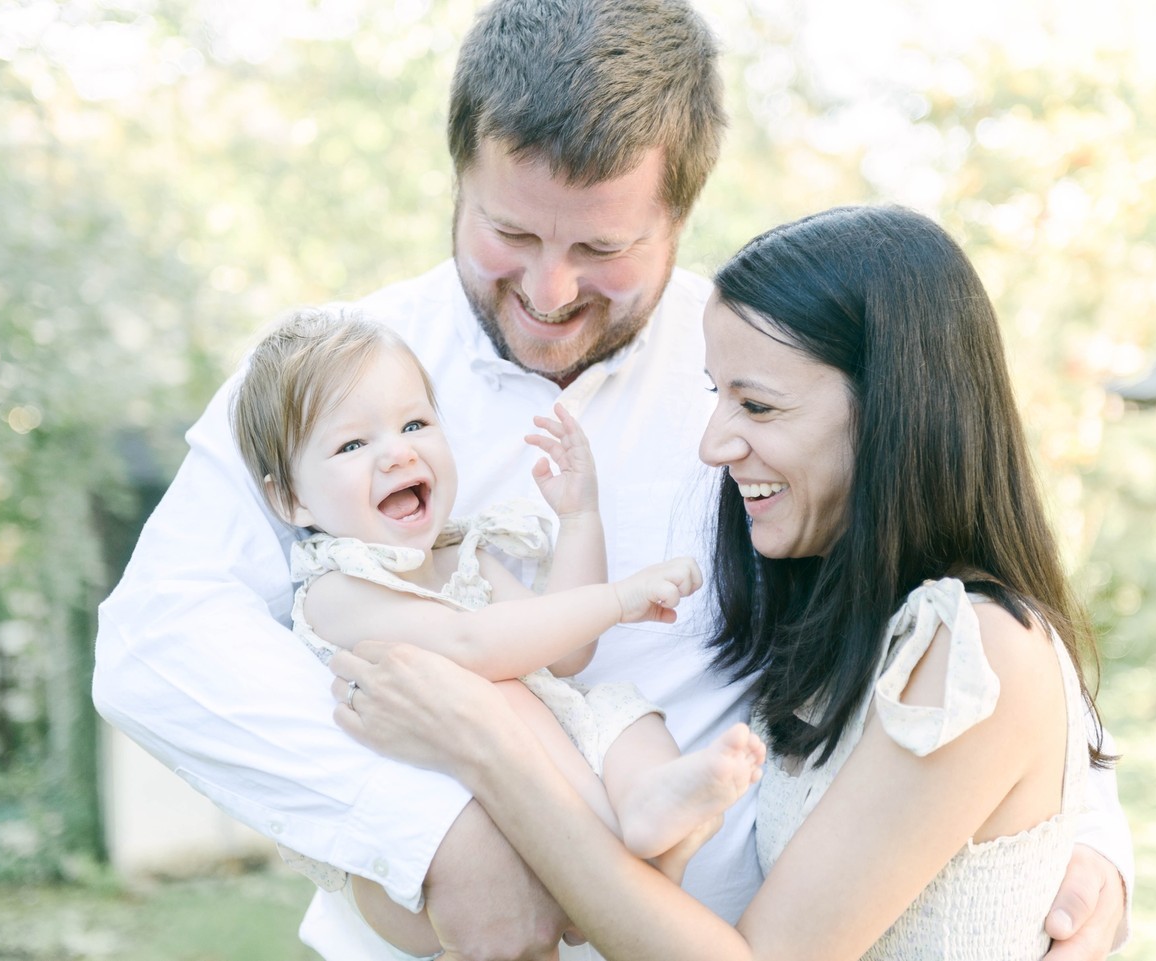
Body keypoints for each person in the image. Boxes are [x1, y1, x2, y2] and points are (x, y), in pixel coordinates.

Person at [93, 1, 1133, 958]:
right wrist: (441, 837)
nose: (548, 290)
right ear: (459, 179)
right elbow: (156, 639)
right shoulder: (328, 380)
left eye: (601, 246)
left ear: (679, 213)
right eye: (510, 233)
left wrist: (1083, 839)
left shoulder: (752, 367)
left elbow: (953, 607)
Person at [330, 204, 1116, 959]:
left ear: (894, 412)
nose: (713, 444)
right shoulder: (850, 620)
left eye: (758, 405)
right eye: (718, 395)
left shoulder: (979, 650)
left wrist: (488, 747)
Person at [228, 306, 764, 957]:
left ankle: (650, 808)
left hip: (534, 788)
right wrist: (618, 599)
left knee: (623, 714)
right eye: (351, 445)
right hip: (442, 842)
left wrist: (580, 518)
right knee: (503, 688)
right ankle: (630, 859)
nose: (398, 451)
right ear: (291, 499)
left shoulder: (464, 556)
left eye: (414, 424)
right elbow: (473, 646)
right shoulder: (335, 588)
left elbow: (565, 650)